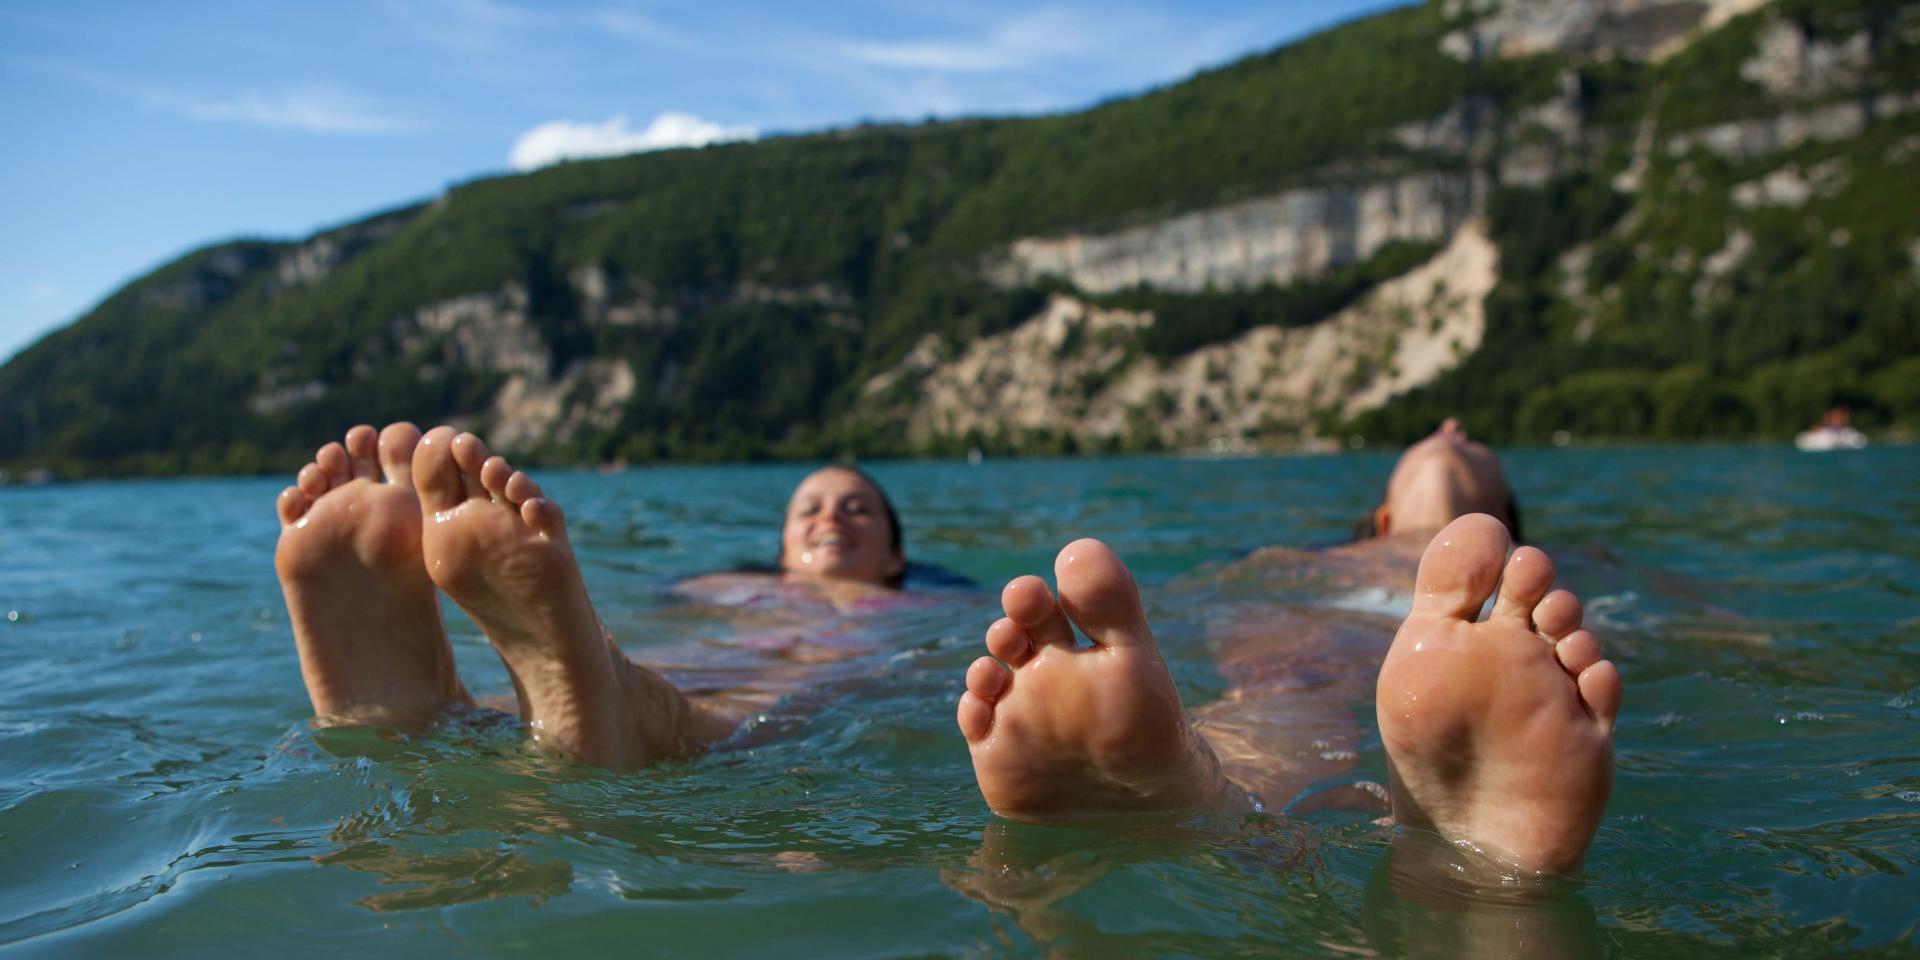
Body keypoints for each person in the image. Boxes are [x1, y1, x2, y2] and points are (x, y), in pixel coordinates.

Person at [954, 419, 1620, 877]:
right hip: (1322, 632)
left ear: (1508, 512)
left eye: (1469, 442)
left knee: (1295, 683)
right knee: (1289, 682)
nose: (1452, 428)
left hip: (1480, 639)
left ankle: (1461, 840)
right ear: (1381, 516)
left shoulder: (1561, 579)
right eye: (1439, 435)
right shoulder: (1292, 562)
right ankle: (1193, 797)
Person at [273, 422, 910, 769]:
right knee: (676, 663)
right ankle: (427, 705)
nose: (832, 520)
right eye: (811, 511)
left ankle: (635, 709)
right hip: (710, 653)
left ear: (896, 556)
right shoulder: (723, 585)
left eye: (857, 510)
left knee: (795, 683)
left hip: (801, 669)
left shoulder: (922, 604)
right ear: (781, 553)